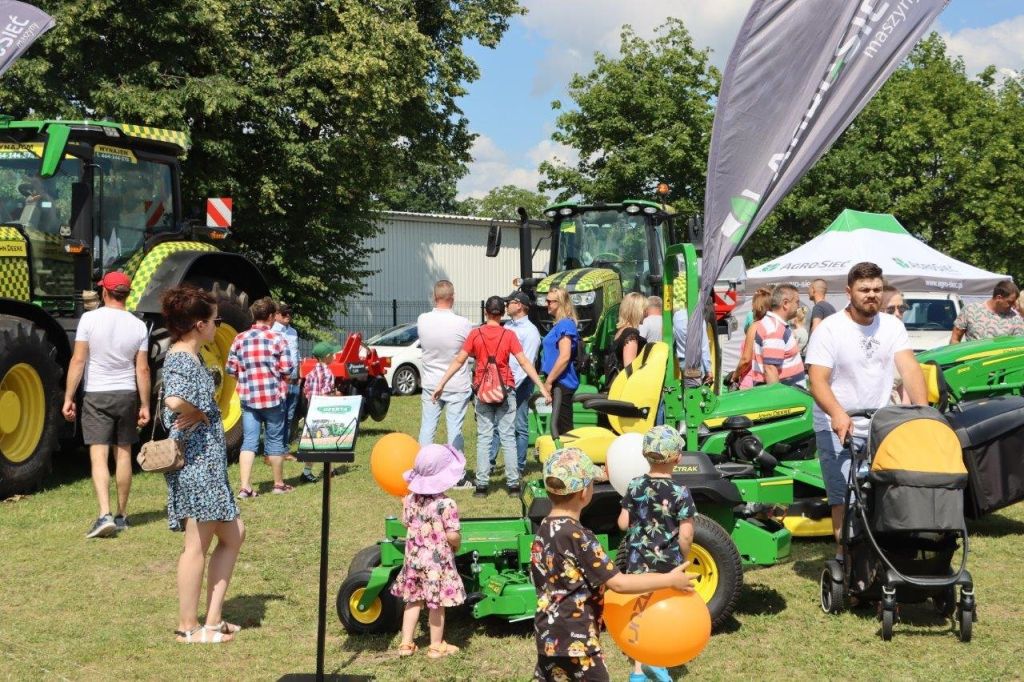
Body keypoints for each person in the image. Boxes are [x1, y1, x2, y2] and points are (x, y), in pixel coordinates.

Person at [531, 448, 694, 682]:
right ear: (585, 492)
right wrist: (670, 580)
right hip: (577, 638)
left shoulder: (543, 529)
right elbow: (618, 583)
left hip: (547, 634)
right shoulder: (579, 536)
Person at [805, 262, 928, 559]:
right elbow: (817, 381)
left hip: (880, 426)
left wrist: (924, 413)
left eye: (876, 289)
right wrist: (837, 413)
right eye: (864, 290)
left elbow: (910, 369)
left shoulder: (893, 326)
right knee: (844, 499)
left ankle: (879, 556)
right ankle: (845, 560)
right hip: (837, 427)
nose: (872, 295)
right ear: (849, 292)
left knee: (884, 493)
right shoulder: (830, 329)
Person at [159, 285, 245, 644]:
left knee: (234, 534)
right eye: (214, 320)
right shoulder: (180, 356)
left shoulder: (191, 355)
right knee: (196, 547)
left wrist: (199, 411)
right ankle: (187, 626)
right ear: (198, 324)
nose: (217, 325)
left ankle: (212, 619)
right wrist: (196, 410)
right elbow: (174, 399)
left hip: (208, 464)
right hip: (196, 466)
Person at [432, 296, 550, 497]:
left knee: (484, 438)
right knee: (508, 437)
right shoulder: (509, 335)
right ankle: (513, 485)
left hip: (483, 392)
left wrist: (441, 384)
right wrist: (543, 387)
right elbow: (525, 363)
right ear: (502, 313)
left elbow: (459, 360)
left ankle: (482, 485)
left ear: (486, 312)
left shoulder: (475, 335)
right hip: (506, 391)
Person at [62, 271, 150, 538]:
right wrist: (145, 404)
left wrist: (68, 397)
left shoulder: (89, 319)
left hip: (96, 393)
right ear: (127, 293)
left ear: (104, 292)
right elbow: (143, 369)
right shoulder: (138, 325)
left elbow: (78, 361)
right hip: (126, 393)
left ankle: (104, 515)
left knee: (98, 455)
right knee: (123, 453)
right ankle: (122, 516)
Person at [616, 426, 696, 682]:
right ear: (678, 458)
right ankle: (659, 663)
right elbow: (686, 535)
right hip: (668, 566)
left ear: (644, 455)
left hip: (638, 563)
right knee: (664, 612)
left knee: (641, 613)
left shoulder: (635, 485)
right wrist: (686, 557)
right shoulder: (681, 492)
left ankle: (638, 671)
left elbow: (622, 522)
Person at [390, 444, 467, 659]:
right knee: (436, 604)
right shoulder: (446, 504)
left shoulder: (411, 499)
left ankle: (406, 644)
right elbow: (452, 535)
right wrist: (457, 544)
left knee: (413, 601)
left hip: (414, 560)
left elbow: (406, 522)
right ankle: (435, 646)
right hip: (436, 564)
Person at [227, 297, 295, 498]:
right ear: (272, 316)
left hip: (249, 399)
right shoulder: (277, 339)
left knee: (249, 442)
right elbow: (287, 369)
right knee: (274, 441)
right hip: (273, 398)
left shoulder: (239, 339)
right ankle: (278, 484)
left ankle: (245, 487)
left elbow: (231, 370)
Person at [488, 291, 542, 477]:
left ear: (519, 305)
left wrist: (509, 388)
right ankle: (489, 463)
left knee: (519, 426)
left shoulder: (531, 332)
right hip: (502, 382)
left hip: (518, 385)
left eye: (509, 302)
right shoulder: (507, 326)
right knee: (496, 424)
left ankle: (518, 467)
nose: (506, 305)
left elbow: (525, 364)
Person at [417, 280, 473, 454]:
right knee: (454, 429)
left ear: (435, 297)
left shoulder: (423, 319)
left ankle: (423, 466)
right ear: (453, 298)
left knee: (427, 427)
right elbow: (469, 349)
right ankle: (457, 471)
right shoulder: (463, 323)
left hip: (431, 382)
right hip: (457, 383)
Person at [541, 286, 581, 437]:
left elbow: (564, 356)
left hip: (563, 382)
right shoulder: (559, 325)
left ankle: (569, 459)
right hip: (558, 381)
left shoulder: (565, 324)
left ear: (560, 303)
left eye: (550, 301)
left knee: (564, 430)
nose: (547, 304)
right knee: (558, 425)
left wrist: (549, 381)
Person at [298, 341, 340, 483]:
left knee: (314, 442)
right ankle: (308, 472)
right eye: (332, 354)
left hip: (312, 411)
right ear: (327, 356)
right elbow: (326, 393)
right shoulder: (327, 373)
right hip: (323, 411)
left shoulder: (311, 373)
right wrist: (337, 395)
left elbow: (306, 391)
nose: (334, 356)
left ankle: (330, 469)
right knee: (327, 440)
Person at [752, 284, 806, 387]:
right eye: (797, 302)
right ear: (785, 303)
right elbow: (770, 369)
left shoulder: (775, 325)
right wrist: (777, 399)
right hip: (786, 396)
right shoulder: (774, 329)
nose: (798, 306)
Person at [950, 280, 1024, 343]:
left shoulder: (1016, 319)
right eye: (1010, 302)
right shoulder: (970, 310)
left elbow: (1018, 346)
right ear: (999, 298)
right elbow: (955, 338)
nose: (1013, 306)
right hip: (972, 359)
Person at [271, 303, 301, 441]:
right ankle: (273, 450)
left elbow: (296, 354)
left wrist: (299, 375)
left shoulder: (293, 332)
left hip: (294, 380)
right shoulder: (272, 332)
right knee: (277, 417)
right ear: (276, 315)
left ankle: (284, 448)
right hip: (279, 381)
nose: (287, 316)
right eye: (284, 313)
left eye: (289, 312)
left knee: (289, 416)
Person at [731, 287, 772, 389]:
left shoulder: (755, 327)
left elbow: (746, 360)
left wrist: (734, 376)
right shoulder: (776, 326)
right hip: (771, 380)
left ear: (756, 306)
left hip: (752, 381)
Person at [607, 292, 647, 381]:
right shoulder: (631, 333)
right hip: (627, 388)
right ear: (637, 311)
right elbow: (629, 368)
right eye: (644, 310)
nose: (646, 314)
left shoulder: (621, 331)